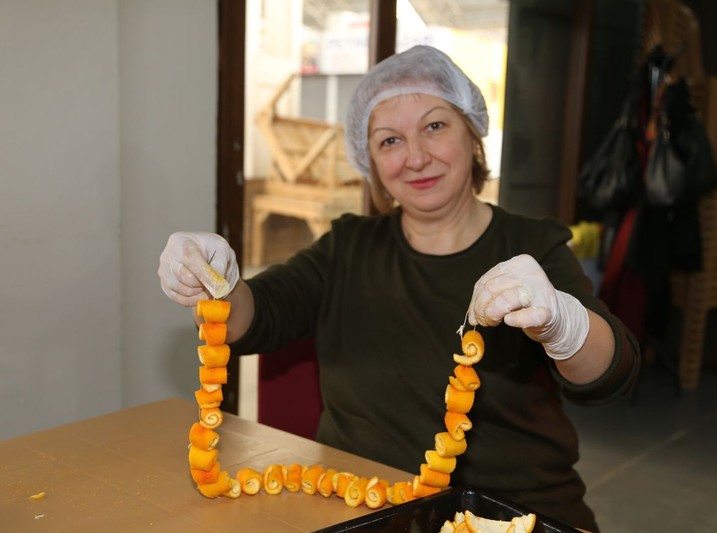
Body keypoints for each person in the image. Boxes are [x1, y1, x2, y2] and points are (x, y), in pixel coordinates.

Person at [158, 45, 640, 532]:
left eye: (434, 126)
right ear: (369, 163)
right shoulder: (348, 247)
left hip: (509, 514)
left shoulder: (533, 246)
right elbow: (256, 317)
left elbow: (609, 373)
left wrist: (565, 324)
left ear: (472, 136)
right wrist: (215, 280)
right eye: (389, 140)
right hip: (363, 510)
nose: (415, 157)